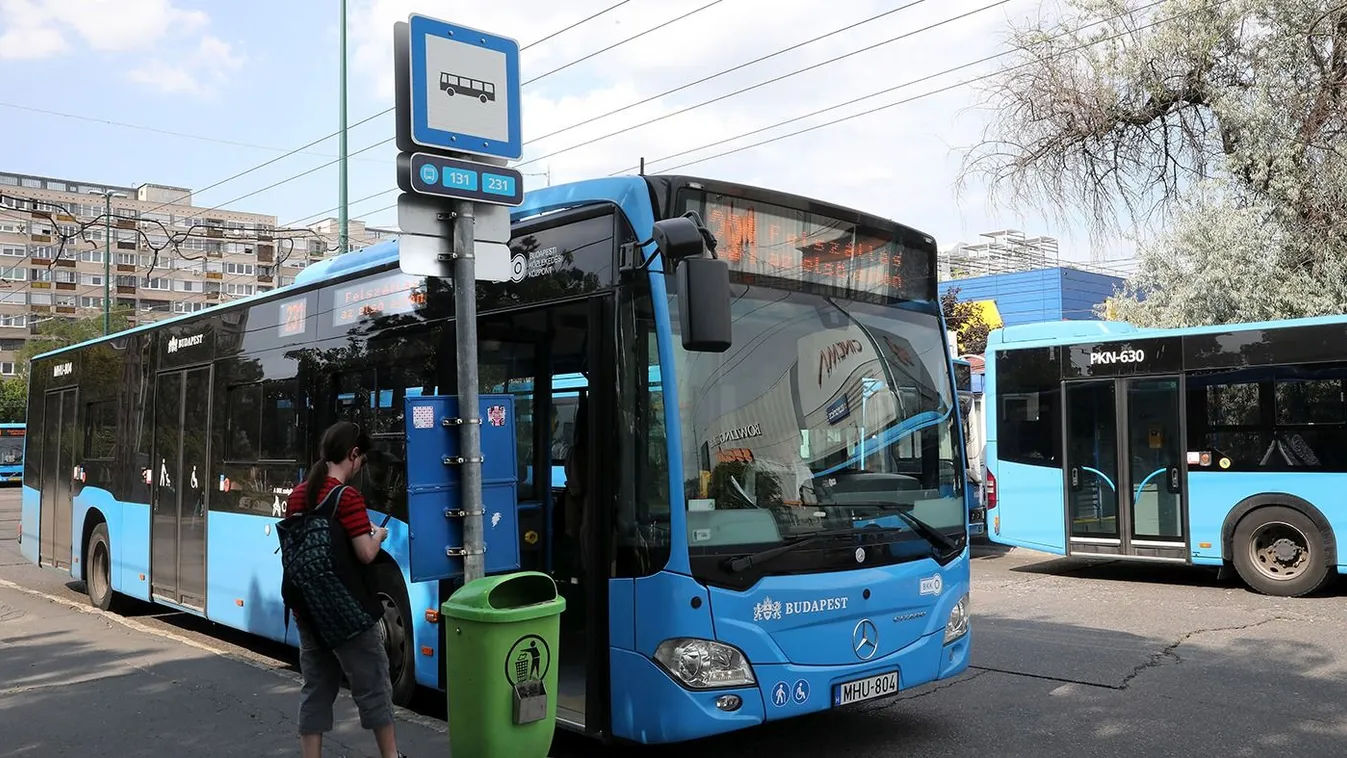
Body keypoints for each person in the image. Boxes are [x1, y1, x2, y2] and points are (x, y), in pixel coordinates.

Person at [283, 421, 405, 758]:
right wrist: (377, 536)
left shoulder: (299, 494)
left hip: (307, 611)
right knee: (374, 685)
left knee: (316, 690)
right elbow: (365, 554)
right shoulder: (346, 497)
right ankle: (391, 757)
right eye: (361, 461)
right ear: (353, 455)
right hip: (345, 612)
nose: (360, 468)